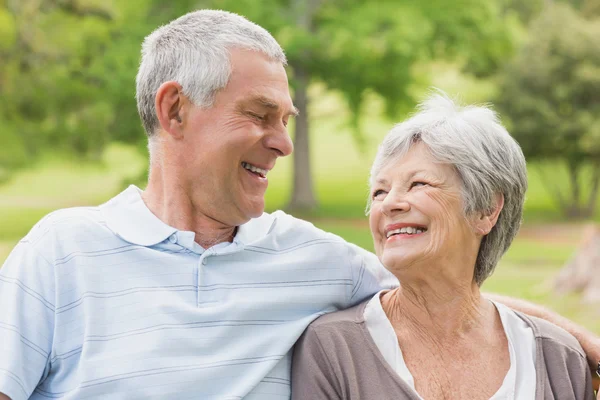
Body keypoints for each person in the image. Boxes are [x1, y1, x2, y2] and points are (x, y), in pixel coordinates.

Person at [0, 9, 597, 400]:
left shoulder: (308, 257)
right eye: (260, 115)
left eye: (286, 121)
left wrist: (587, 348)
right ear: (174, 109)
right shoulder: (60, 253)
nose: (284, 143)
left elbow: (446, 293)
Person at [291, 94, 596, 399]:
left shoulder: (559, 360)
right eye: (379, 192)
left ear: (486, 210)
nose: (390, 204)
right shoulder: (333, 347)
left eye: (419, 184)